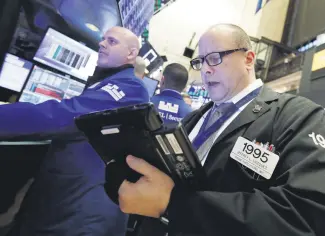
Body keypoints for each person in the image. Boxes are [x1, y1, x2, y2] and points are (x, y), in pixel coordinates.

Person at [114, 24, 325, 236]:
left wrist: (175, 204)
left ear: (249, 59)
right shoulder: (193, 119)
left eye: (214, 58)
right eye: (200, 61)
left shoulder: (298, 117)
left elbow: (304, 214)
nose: (205, 69)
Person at [0, 26, 150, 236]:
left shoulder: (130, 88)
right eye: (103, 39)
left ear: (131, 54)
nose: (102, 44)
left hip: (82, 214)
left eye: (112, 41)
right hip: (66, 203)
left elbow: (63, 116)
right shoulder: (108, 82)